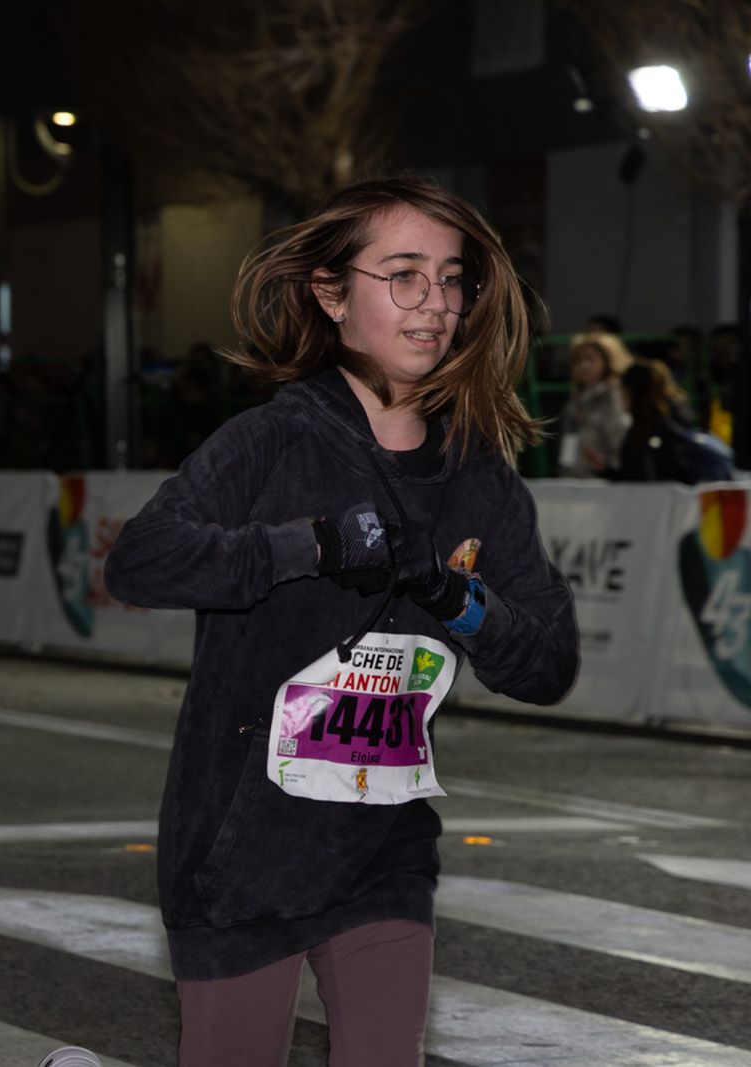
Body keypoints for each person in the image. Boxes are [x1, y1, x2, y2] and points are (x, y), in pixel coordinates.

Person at [103, 178, 578, 1066]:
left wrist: (456, 596)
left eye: (450, 278)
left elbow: (547, 663)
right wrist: (310, 545)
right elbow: (140, 559)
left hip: (384, 847)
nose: (434, 303)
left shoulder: (480, 479)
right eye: (403, 274)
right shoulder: (269, 443)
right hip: (242, 852)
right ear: (331, 294)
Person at [605, 358, 698, 483]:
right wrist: (606, 470)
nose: (621, 397)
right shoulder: (641, 428)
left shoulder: (662, 433)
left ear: (634, 393)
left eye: (624, 391)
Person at [558, 331, 632, 476]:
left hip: (606, 479)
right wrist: (565, 471)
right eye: (578, 360)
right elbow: (569, 439)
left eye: (591, 359)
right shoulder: (576, 399)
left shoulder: (614, 396)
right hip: (575, 478)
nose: (584, 366)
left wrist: (612, 470)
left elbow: (618, 437)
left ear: (608, 361)